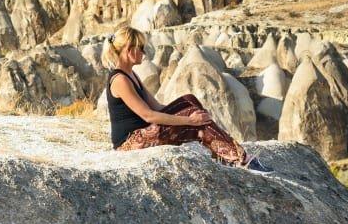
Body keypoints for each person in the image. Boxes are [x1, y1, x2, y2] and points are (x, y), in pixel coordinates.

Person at [103, 25, 272, 174]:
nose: (143, 52)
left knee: (189, 100)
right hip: (130, 143)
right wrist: (189, 120)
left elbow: (158, 107)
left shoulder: (132, 75)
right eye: (140, 47)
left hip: (144, 131)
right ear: (128, 50)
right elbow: (149, 115)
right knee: (192, 116)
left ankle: (228, 153)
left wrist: (190, 115)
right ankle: (239, 159)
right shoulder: (120, 80)